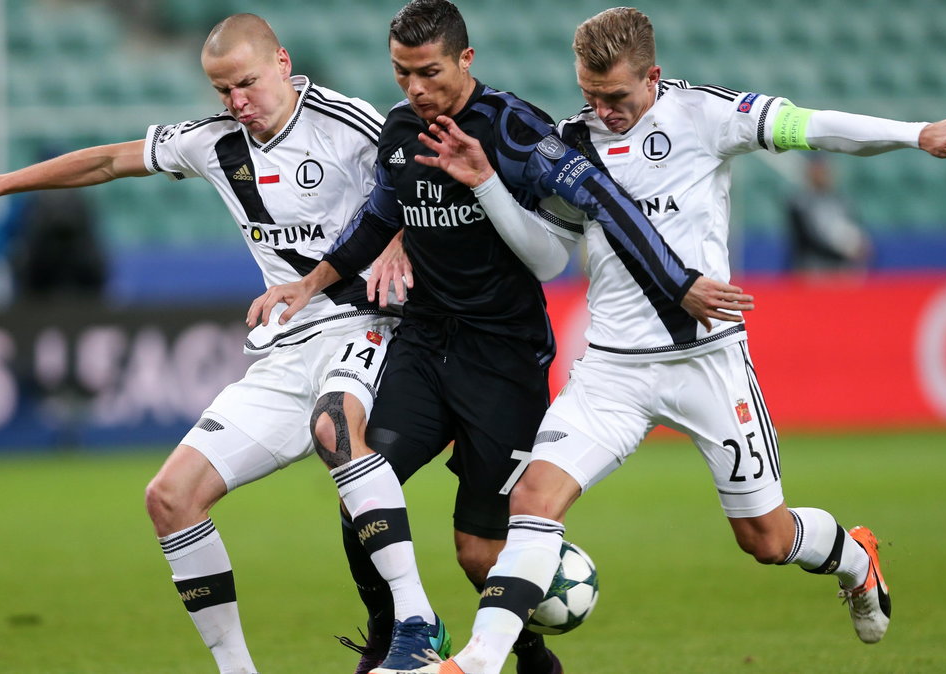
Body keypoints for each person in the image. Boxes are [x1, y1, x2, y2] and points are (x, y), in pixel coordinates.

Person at [393, 7, 946, 673]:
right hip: (613, 370)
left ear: (653, 77)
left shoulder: (703, 115)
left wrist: (916, 133)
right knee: (531, 502)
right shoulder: (569, 143)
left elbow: (810, 126)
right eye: (589, 95)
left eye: (616, 97)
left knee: (764, 536)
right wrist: (491, 186)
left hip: (707, 363)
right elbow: (548, 257)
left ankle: (855, 557)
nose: (602, 111)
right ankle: (476, 661)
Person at [0, 14, 439, 674]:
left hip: (367, 328)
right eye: (221, 91)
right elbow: (106, 160)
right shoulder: (213, 142)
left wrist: (402, 244)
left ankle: (417, 622)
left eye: (246, 84)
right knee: (170, 497)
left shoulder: (347, 121)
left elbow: (424, 181)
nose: (237, 102)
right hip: (286, 346)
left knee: (335, 429)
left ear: (282, 64)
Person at [249, 2, 752, 672]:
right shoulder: (399, 132)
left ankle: (533, 656)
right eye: (401, 73)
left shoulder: (515, 129)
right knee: (362, 482)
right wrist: (308, 284)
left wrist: (486, 182)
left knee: (478, 551)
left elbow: (555, 254)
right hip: (426, 345)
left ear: (466, 59)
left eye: (428, 72)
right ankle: (395, 636)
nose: (414, 89)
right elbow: (376, 220)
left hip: (505, 358)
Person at [786, 154, 872, 273]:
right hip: (813, 268)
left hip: (840, 268)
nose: (823, 175)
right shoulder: (800, 202)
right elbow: (807, 239)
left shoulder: (841, 200)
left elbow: (853, 227)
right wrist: (841, 252)